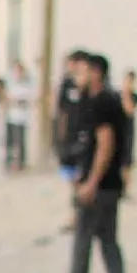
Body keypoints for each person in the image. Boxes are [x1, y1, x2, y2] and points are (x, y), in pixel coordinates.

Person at [53, 53, 132, 273]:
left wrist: (90, 182)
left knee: (83, 244)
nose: (78, 77)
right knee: (109, 243)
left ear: (96, 72)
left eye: (83, 71)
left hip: (99, 186)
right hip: (107, 185)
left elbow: (105, 144)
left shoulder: (102, 103)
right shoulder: (100, 100)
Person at [53, 50, 91, 186]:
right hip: (70, 128)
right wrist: (61, 131)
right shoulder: (67, 83)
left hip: (85, 128)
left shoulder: (89, 84)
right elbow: (62, 109)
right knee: (68, 158)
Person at [2, 62, 35, 172]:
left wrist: (19, 101)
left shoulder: (27, 84)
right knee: (10, 141)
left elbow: (30, 99)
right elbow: (7, 98)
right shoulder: (12, 84)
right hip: (11, 116)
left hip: (22, 118)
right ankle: (9, 161)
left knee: (20, 142)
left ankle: (21, 163)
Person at [121, 69, 137, 166]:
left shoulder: (135, 96)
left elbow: (129, 110)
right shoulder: (117, 94)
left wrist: (126, 93)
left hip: (128, 128)